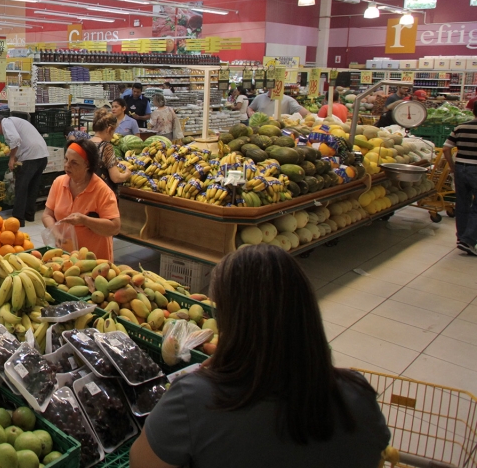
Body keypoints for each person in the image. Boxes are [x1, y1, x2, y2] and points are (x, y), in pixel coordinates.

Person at [131, 244, 390, 468]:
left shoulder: (195, 400)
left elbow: (141, 462)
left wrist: (201, 377)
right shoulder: (359, 397)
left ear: (234, 322)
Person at [41, 139, 121, 261]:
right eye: (66, 159)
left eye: (74, 163)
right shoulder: (59, 182)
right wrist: (57, 235)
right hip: (67, 257)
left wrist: (84, 220)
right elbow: (47, 214)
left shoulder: (102, 191)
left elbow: (115, 227)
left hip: (95, 261)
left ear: (87, 165)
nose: (67, 165)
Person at [0, 114, 49, 223]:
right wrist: (14, 156)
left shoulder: (6, 122)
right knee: (33, 187)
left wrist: (12, 158)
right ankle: (29, 215)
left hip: (31, 157)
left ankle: (18, 219)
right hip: (42, 156)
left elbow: (15, 139)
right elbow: (20, 143)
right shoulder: (15, 121)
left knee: (21, 187)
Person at [444, 116, 477, 256]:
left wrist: (452, 166)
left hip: (460, 169)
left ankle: (462, 237)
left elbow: (446, 149)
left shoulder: (461, 127)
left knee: (462, 203)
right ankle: (468, 240)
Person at [89, 108, 130, 193]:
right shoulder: (106, 147)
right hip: (101, 195)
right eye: (113, 131)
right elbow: (116, 178)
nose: (113, 135)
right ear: (109, 129)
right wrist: (127, 174)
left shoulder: (85, 143)